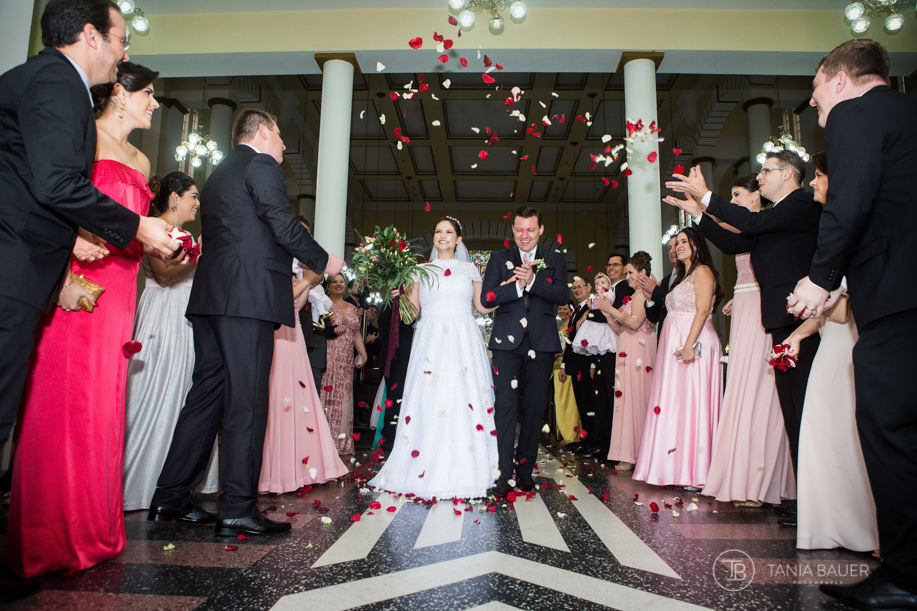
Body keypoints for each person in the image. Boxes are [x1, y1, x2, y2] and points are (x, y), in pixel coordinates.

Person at [0, 0, 178, 478]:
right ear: (91, 36)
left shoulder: (39, 79)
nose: (123, 54)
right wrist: (139, 226)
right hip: (14, 270)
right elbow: (56, 184)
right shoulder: (58, 81)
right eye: (122, 40)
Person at [148, 109, 343, 538]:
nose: (284, 147)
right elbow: (280, 222)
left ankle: (170, 495)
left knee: (206, 397)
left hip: (212, 298)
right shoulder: (261, 164)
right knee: (247, 401)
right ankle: (236, 507)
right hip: (247, 299)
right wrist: (323, 260)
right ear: (262, 131)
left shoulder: (220, 172)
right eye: (280, 137)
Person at [7, 61, 163, 577]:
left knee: (103, 402)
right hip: (78, 280)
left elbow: (135, 232)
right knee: (62, 400)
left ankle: (96, 529)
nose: (155, 104)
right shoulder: (82, 137)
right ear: (120, 93)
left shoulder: (141, 159)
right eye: (149, 95)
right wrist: (70, 245)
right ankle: (50, 535)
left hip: (122, 289)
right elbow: (51, 196)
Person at [790, 43, 917, 606]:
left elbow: (852, 198)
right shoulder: (907, 114)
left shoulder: (853, 114)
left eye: (815, 89)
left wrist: (821, 279)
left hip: (896, 295)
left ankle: (908, 578)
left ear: (838, 78)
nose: (814, 104)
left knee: (891, 429)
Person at [665, 152, 821, 490]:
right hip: (781, 317)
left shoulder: (801, 204)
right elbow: (736, 241)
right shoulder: (781, 214)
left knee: (803, 409)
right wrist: (698, 215)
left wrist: (708, 198)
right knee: (792, 409)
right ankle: (803, 495)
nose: (761, 175)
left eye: (767, 170)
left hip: (800, 318)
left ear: (790, 174)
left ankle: (809, 494)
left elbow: (749, 225)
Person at [783, 152, 877, 550]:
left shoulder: (846, 228)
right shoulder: (829, 227)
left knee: (846, 430)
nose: (813, 184)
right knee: (825, 428)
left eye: (818, 176)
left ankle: (865, 526)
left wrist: (812, 300)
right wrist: (801, 331)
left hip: (849, 341)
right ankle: (832, 524)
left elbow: (840, 293)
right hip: (831, 340)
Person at [368, 217, 499, 499]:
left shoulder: (470, 269)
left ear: (458, 239)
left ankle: (468, 463)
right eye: (439, 232)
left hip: (463, 338)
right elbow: (412, 312)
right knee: (431, 397)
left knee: (462, 396)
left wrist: (510, 291)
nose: (443, 236)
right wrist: (399, 296)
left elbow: (481, 306)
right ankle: (423, 460)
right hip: (430, 340)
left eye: (449, 232)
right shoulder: (419, 270)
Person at [123, 172, 220, 511]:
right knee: (156, 390)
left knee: (182, 393)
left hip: (187, 315)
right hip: (162, 315)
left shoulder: (186, 235)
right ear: (175, 198)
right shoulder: (154, 228)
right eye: (193, 196)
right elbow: (163, 277)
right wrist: (201, 254)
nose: (197, 203)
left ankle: (175, 479)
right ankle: (141, 482)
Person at [699, 176, 795, 508]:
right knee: (743, 385)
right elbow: (731, 245)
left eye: (738, 194)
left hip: (762, 307)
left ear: (756, 197)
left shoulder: (763, 224)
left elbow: (736, 242)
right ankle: (744, 473)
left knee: (761, 387)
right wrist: (697, 215)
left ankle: (761, 479)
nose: (735, 200)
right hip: (745, 306)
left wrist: (703, 210)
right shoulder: (749, 229)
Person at [481, 207, 569, 497]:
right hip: (506, 344)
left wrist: (533, 281)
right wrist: (517, 286)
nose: (524, 235)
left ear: (540, 230)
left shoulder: (554, 259)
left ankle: (525, 472)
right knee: (505, 407)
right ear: (513, 230)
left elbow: (561, 295)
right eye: (519, 229)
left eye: (530, 229)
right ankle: (503, 475)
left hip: (542, 342)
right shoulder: (499, 259)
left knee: (533, 409)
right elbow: (487, 297)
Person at [633, 228, 723, 491]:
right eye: (677, 242)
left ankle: (696, 471)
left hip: (693, 343)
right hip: (675, 345)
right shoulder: (683, 277)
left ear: (697, 245)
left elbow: (703, 309)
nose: (679, 246)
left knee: (693, 404)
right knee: (677, 405)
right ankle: (673, 466)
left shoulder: (703, 271)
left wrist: (688, 345)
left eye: (685, 242)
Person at [259, 251, 349, 494]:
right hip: (278, 333)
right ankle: (276, 469)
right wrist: (308, 280)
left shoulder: (294, 274)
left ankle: (298, 465)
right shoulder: (273, 266)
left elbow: (297, 306)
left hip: (293, 333)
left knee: (298, 398)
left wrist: (306, 281)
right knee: (279, 396)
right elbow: (280, 301)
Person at [599, 252, 657, 471]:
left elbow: (634, 323)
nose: (628, 276)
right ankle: (627, 452)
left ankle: (637, 452)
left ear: (643, 273)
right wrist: (607, 314)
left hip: (639, 349)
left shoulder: (642, 295)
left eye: (631, 272)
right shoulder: (633, 297)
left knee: (636, 397)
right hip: (626, 348)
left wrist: (610, 308)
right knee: (626, 399)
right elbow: (619, 328)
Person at [320, 273, 369, 455]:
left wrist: (362, 352)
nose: (338, 284)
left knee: (345, 399)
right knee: (329, 396)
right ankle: (325, 443)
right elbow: (322, 330)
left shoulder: (352, 307)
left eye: (341, 281)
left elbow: (356, 334)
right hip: (330, 355)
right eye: (335, 282)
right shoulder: (324, 304)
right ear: (329, 286)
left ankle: (342, 443)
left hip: (347, 359)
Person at [560, 277, 597, 454]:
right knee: (582, 404)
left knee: (589, 405)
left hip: (586, 363)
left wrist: (592, 363)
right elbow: (569, 340)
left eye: (579, 287)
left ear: (589, 287)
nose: (576, 290)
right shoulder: (576, 312)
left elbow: (595, 337)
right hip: (575, 364)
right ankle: (585, 440)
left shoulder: (592, 306)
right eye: (573, 287)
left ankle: (593, 442)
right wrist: (563, 365)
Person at [553, 302, 581, 445]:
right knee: (560, 400)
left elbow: (570, 347)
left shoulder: (572, 325)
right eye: (560, 308)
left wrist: (554, 352)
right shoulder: (558, 326)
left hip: (566, 363)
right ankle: (563, 432)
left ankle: (571, 434)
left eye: (565, 308)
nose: (562, 311)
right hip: (556, 365)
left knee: (568, 400)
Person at [640, 237, 677, 337]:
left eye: (676, 246)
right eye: (669, 248)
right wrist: (650, 299)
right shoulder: (666, 280)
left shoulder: (690, 277)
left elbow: (678, 303)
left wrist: (656, 290)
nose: (672, 251)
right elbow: (654, 317)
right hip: (665, 336)